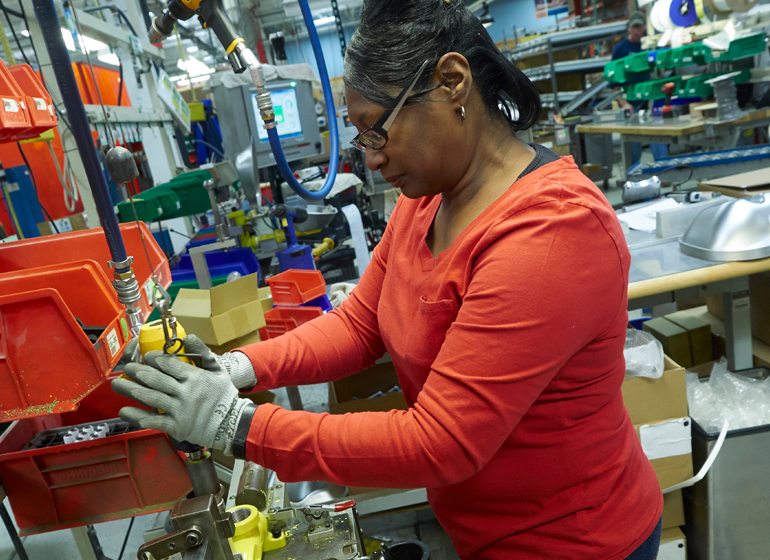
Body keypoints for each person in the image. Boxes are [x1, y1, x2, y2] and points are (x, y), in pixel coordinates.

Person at [114, 1, 663, 558]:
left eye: (376, 132)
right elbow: (359, 324)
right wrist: (245, 367)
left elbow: (441, 442)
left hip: (574, 539)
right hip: (481, 528)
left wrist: (239, 426)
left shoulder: (551, 233)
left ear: (453, 82)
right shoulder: (426, 199)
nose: (371, 160)